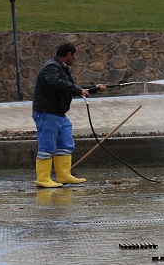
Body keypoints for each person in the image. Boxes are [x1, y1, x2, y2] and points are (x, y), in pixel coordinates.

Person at [32, 43, 108, 188]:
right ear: (69, 54)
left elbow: (71, 88)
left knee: (65, 144)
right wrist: (79, 90)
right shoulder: (52, 67)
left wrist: (94, 89)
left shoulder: (63, 69)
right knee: (47, 146)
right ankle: (43, 179)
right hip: (47, 113)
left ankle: (63, 176)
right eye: (76, 55)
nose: (76, 58)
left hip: (59, 114)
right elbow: (55, 83)